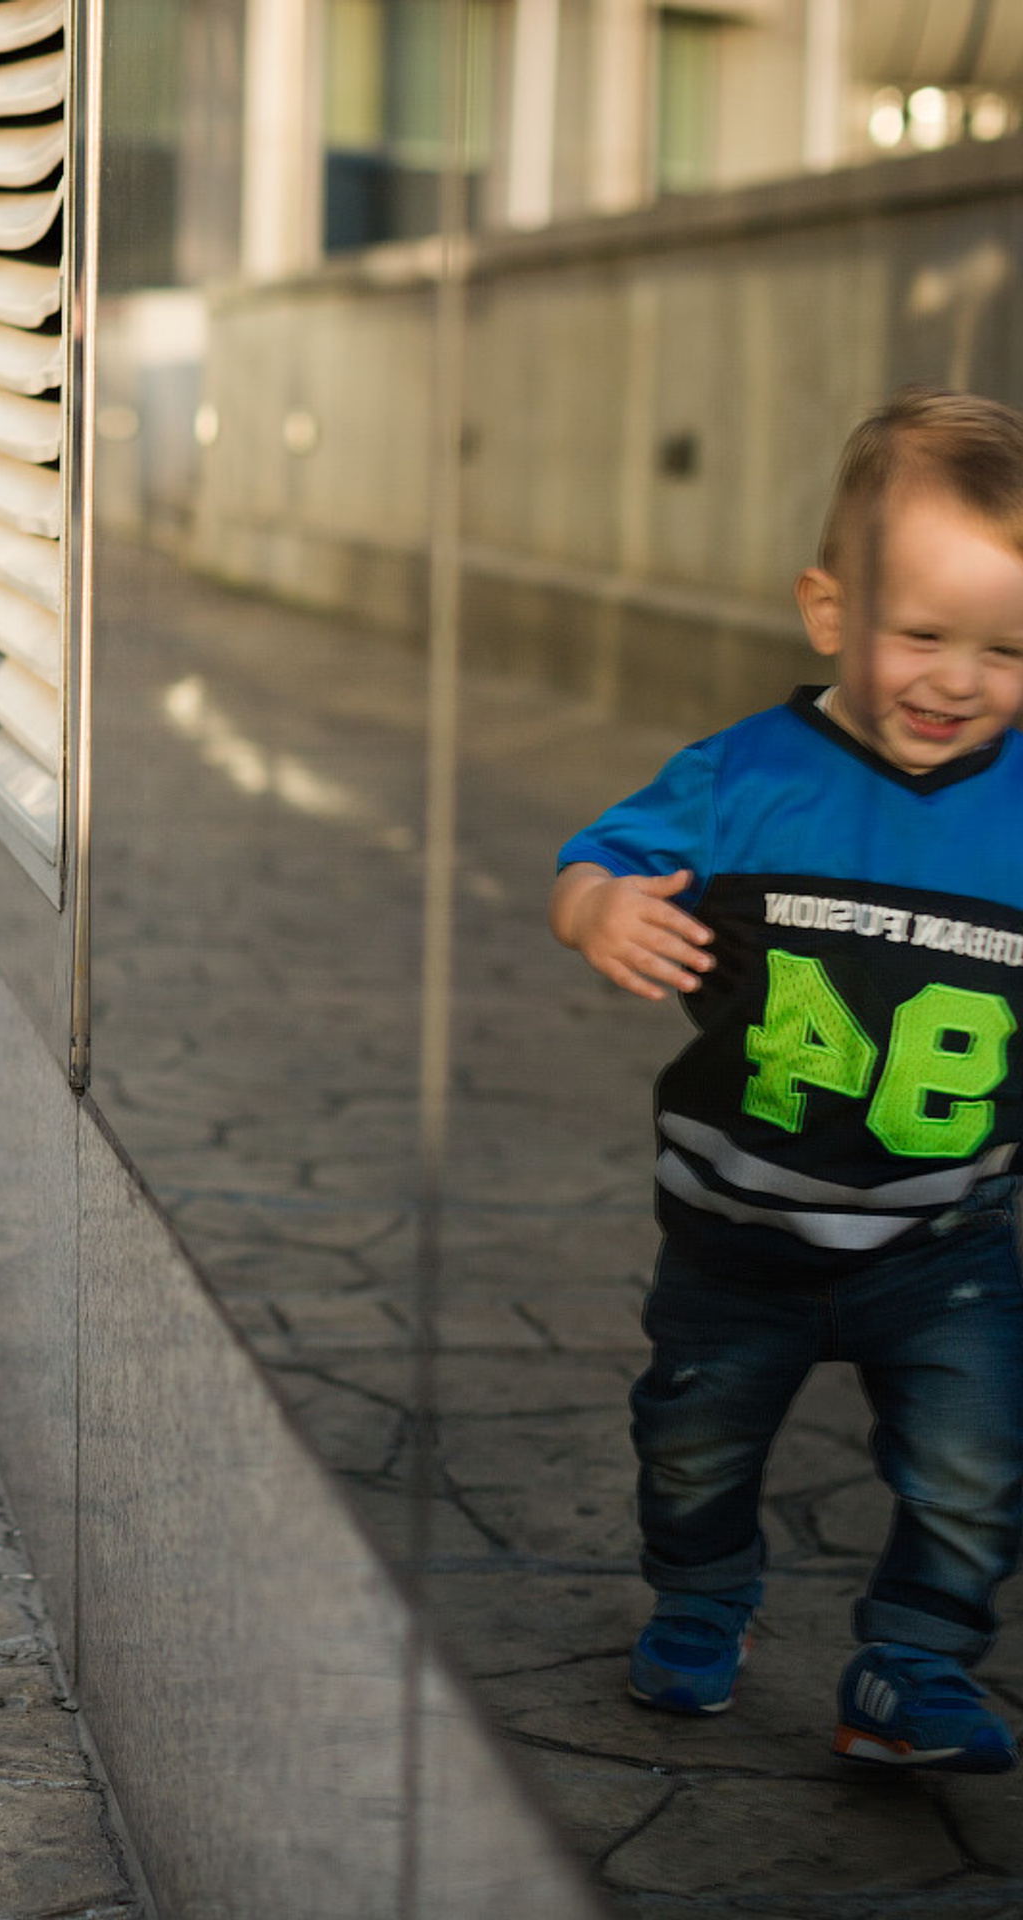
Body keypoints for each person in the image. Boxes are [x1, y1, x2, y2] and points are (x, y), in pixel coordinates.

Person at [551, 387, 1023, 1774]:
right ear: (829, 613)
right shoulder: (745, 777)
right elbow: (600, 860)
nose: (956, 679)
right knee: (693, 1452)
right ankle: (703, 1602)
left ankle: (914, 1662)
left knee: (977, 1466)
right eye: (920, 635)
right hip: (735, 1239)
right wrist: (599, 912)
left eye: (1008, 649)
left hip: (948, 1240)